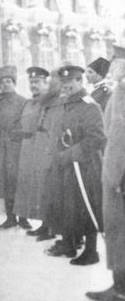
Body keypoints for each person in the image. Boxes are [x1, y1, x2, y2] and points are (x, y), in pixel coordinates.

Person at [46, 65, 106, 265]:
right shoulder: (65, 104)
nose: (66, 86)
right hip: (68, 166)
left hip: (86, 167)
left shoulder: (90, 105)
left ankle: (91, 251)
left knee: (87, 207)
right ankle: (69, 245)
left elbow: (97, 138)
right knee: (68, 206)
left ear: (80, 81)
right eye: (63, 83)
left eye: (70, 83)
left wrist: (71, 153)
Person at [86, 49, 125, 301]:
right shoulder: (119, 92)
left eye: (118, 64)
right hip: (114, 172)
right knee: (115, 232)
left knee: (121, 233)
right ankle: (119, 287)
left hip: (121, 177)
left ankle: (121, 290)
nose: (113, 69)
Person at [0, 65, 27, 229]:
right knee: (6, 183)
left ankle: (23, 219)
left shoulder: (24, 102)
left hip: (19, 148)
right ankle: (10, 218)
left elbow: (29, 126)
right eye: (2, 83)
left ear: (14, 83)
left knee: (20, 182)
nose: (6, 85)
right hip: (1, 150)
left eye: (8, 81)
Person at [13, 67, 49, 233]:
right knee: (25, 182)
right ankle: (23, 216)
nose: (33, 85)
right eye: (31, 82)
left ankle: (46, 224)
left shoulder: (49, 103)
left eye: (37, 82)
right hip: (26, 148)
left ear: (45, 83)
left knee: (42, 184)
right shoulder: (28, 103)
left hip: (41, 147)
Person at [34, 70, 65, 242]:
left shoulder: (61, 100)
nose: (50, 82)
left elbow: (57, 127)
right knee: (44, 189)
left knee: (53, 190)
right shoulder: (49, 99)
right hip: (44, 146)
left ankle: (53, 228)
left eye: (53, 79)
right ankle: (46, 224)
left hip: (54, 149)